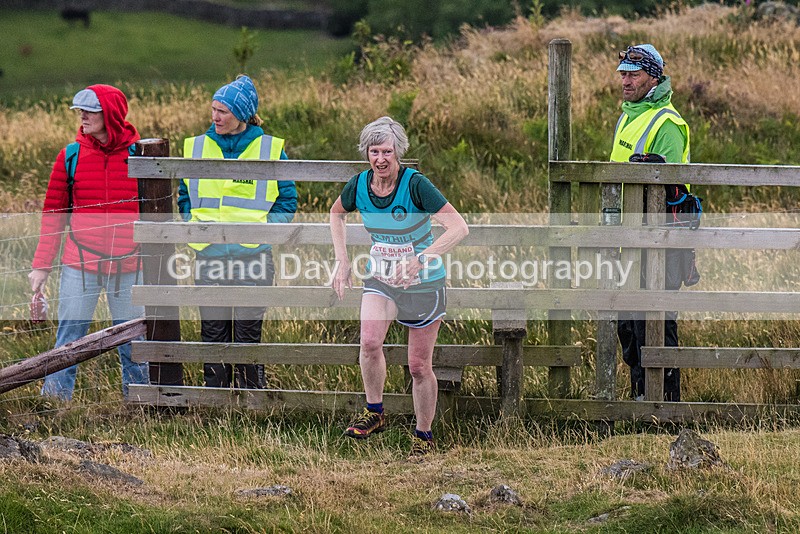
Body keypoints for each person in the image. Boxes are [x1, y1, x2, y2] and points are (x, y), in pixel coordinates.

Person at [330, 116, 469, 457]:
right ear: (366, 153)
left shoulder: (416, 185)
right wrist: (343, 261)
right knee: (369, 342)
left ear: (398, 153)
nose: (380, 159)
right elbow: (336, 213)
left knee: (419, 366)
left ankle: (423, 436)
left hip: (423, 284)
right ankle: (375, 412)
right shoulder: (359, 185)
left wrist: (422, 258)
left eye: (387, 152)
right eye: (374, 151)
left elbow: (459, 227)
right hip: (381, 278)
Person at [178, 74, 297, 389]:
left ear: (242, 115)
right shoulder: (196, 147)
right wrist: (193, 226)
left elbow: (287, 201)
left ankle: (251, 400)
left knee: (247, 333)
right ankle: (216, 401)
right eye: (213, 109)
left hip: (253, 257)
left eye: (223, 111)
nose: (215, 116)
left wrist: (265, 233)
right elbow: (184, 196)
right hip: (209, 256)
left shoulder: (269, 148)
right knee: (213, 332)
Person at [30, 84, 148, 400]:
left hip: (130, 265)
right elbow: (53, 214)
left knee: (134, 341)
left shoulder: (141, 157)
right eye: (80, 111)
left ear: (110, 114)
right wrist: (41, 266)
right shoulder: (70, 156)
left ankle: (142, 406)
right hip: (80, 265)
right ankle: (53, 405)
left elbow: (157, 213)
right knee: (69, 341)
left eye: (90, 111)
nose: (82, 116)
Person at [611, 44, 690, 401]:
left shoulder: (668, 123)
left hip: (661, 240)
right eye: (623, 74)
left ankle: (665, 407)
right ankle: (641, 401)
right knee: (628, 325)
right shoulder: (627, 117)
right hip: (626, 238)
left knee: (656, 322)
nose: (626, 81)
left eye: (634, 74)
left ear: (653, 78)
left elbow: (673, 189)